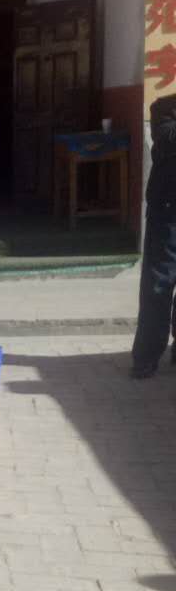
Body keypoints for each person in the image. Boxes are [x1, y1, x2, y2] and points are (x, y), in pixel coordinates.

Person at [131, 94, 176, 379]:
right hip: (168, 215)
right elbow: (169, 139)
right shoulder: (164, 109)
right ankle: (146, 357)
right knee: (158, 284)